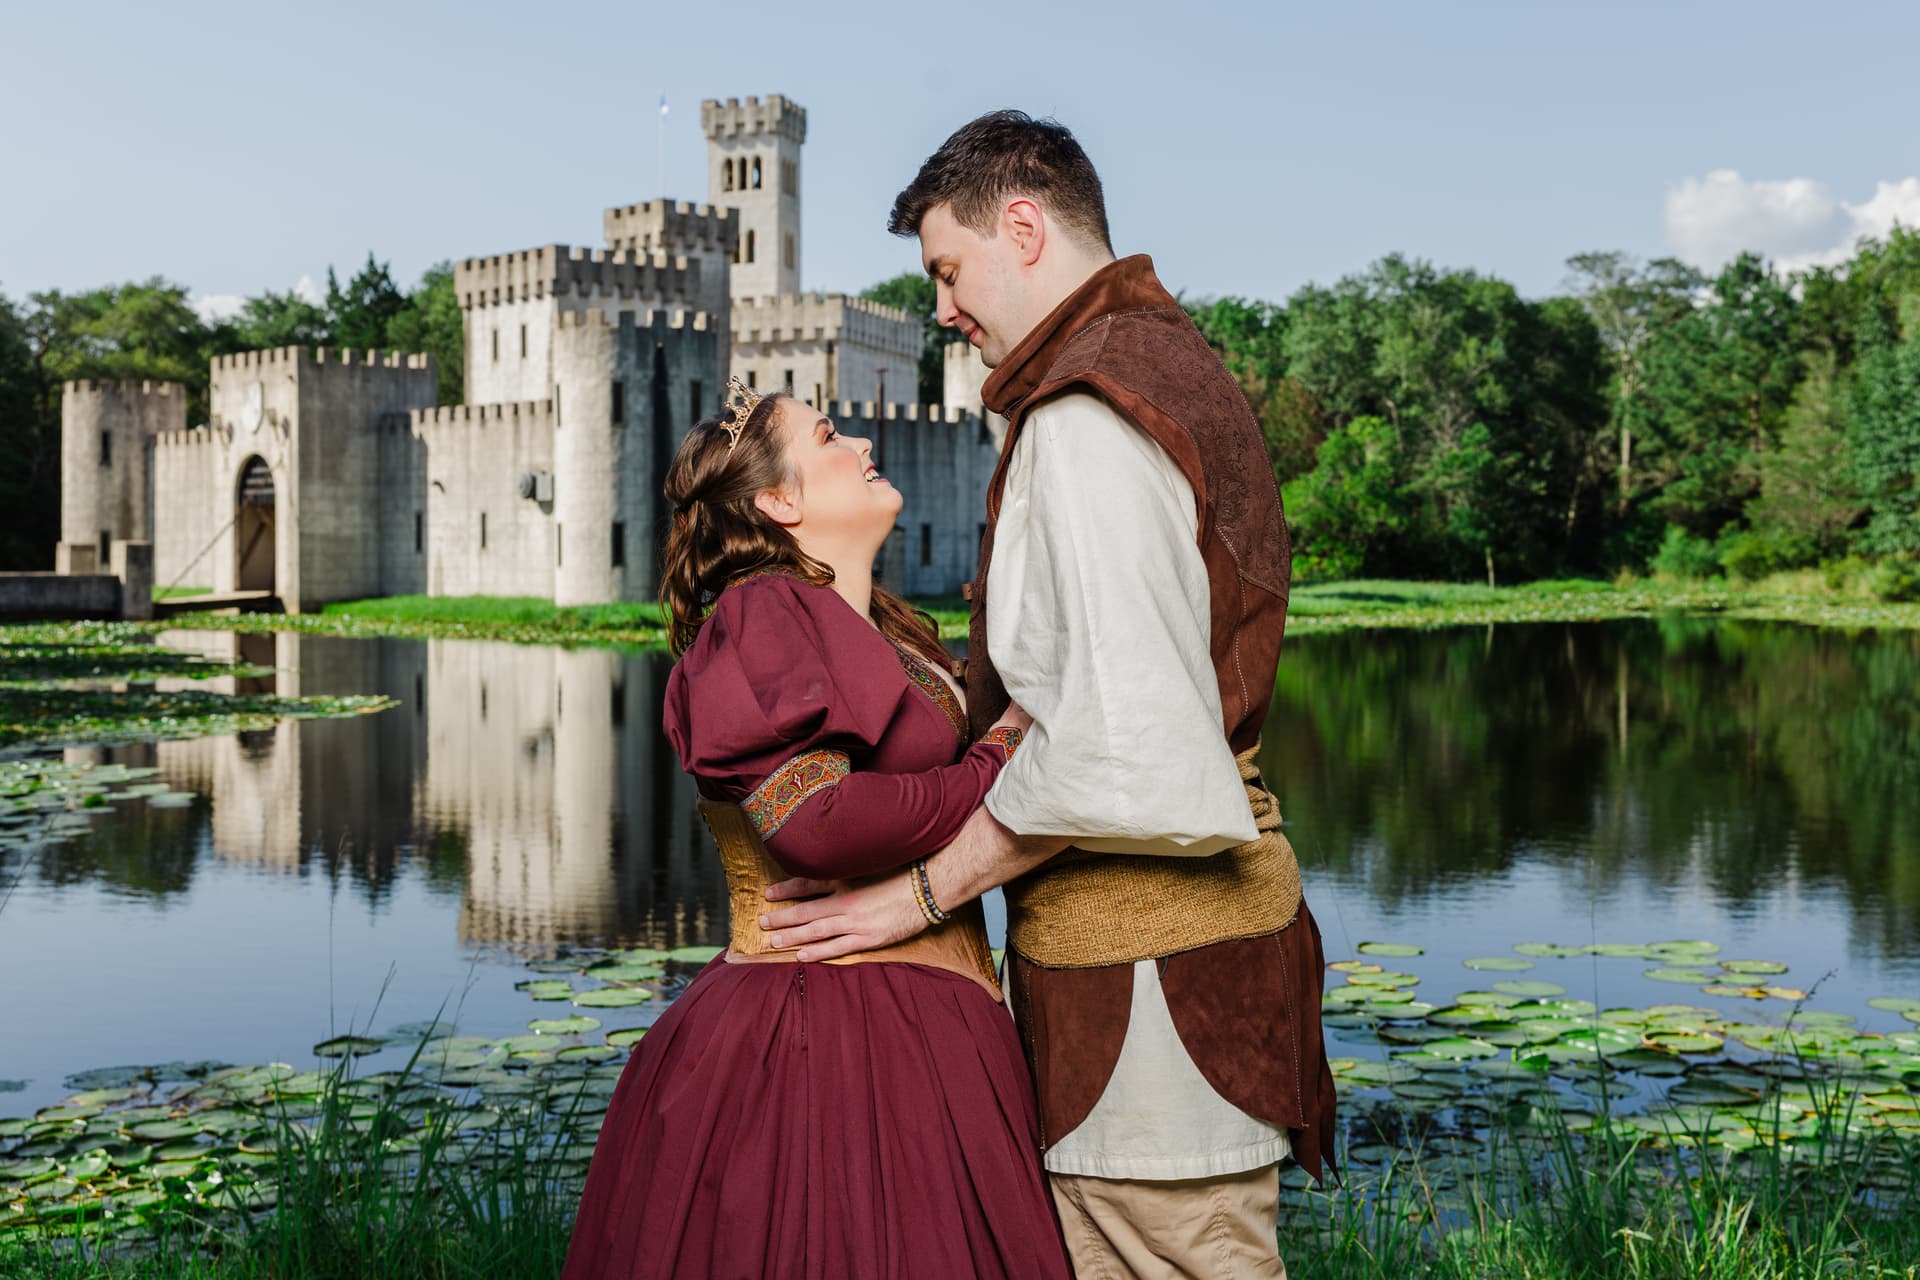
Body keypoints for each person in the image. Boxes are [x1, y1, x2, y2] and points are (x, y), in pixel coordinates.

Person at [760, 111, 1338, 1278]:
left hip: (1152, 1012)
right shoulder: (1155, 364)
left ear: (1021, 227)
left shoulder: (1085, 412)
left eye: (947, 268)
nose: (941, 310)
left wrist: (916, 892)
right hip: (1167, 995)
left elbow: (1120, 738)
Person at [560, 378, 1072, 1280]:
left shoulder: (881, 624)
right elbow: (814, 823)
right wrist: (995, 769)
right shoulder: (764, 609)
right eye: (832, 435)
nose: (864, 444)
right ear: (779, 502)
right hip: (824, 1035)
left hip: (926, 1018)